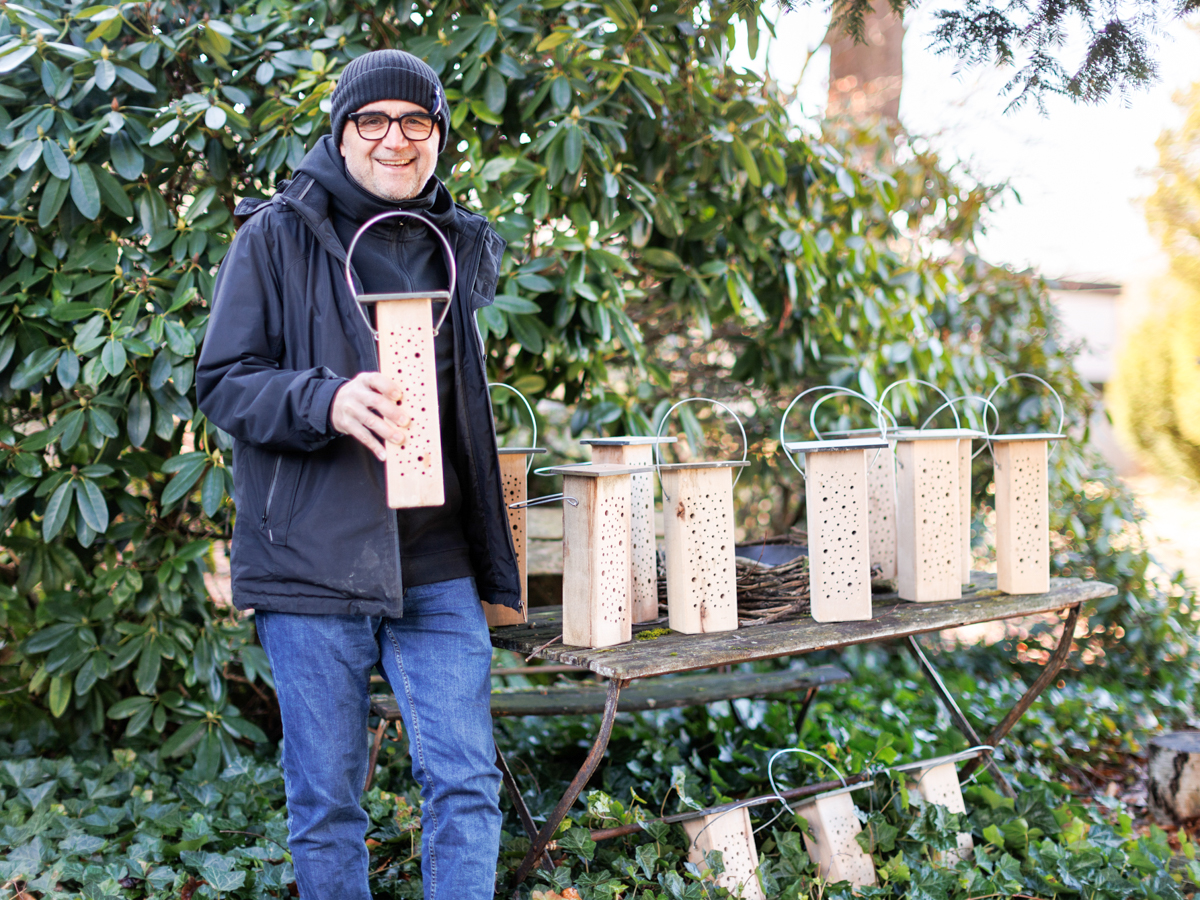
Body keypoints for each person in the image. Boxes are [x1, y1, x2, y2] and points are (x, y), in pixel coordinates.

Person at [196, 48, 520, 899]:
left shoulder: (454, 240)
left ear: (438, 136)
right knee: (327, 804)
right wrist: (326, 403)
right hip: (313, 565)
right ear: (340, 135)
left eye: (416, 122)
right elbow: (222, 380)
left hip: (437, 562)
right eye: (371, 121)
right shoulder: (274, 235)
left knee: (467, 785)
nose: (395, 140)